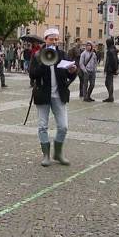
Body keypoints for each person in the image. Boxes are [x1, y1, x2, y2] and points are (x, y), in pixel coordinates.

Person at [29, 27, 78, 167]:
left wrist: (73, 71)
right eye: (51, 39)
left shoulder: (62, 54)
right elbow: (32, 74)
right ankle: (46, 155)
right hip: (43, 95)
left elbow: (70, 74)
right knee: (42, 126)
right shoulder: (38, 55)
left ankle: (58, 153)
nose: (54, 42)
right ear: (45, 40)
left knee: (63, 126)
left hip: (59, 95)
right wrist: (45, 63)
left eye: (56, 39)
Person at [102, 37, 119, 102]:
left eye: (107, 43)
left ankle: (110, 97)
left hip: (110, 69)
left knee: (108, 83)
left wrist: (113, 69)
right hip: (111, 69)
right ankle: (110, 96)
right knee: (108, 83)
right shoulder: (113, 50)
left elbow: (112, 61)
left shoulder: (110, 51)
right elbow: (115, 61)